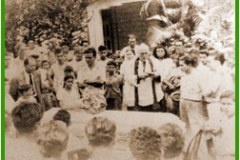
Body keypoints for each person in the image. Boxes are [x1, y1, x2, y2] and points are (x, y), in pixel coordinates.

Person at [179, 55, 214, 149]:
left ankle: (204, 150)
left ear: (189, 64)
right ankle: (188, 149)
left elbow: (206, 91)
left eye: (182, 65)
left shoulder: (198, 75)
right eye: (179, 65)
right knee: (185, 126)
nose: (180, 67)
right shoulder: (183, 75)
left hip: (194, 103)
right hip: (183, 102)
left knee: (198, 127)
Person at [128, 43, 163, 112]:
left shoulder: (155, 62)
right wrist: (139, 77)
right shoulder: (131, 63)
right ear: (138, 54)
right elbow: (128, 78)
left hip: (152, 92)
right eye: (142, 53)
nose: (144, 56)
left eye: (145, 53)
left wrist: (156, 75)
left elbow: (162, 74)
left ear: (148, 53)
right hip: (139, 92)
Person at [204, 91, 235, 160]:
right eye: (223, 104)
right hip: (221, 154)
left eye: (229, 104)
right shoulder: (222, 118)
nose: (226, 107)